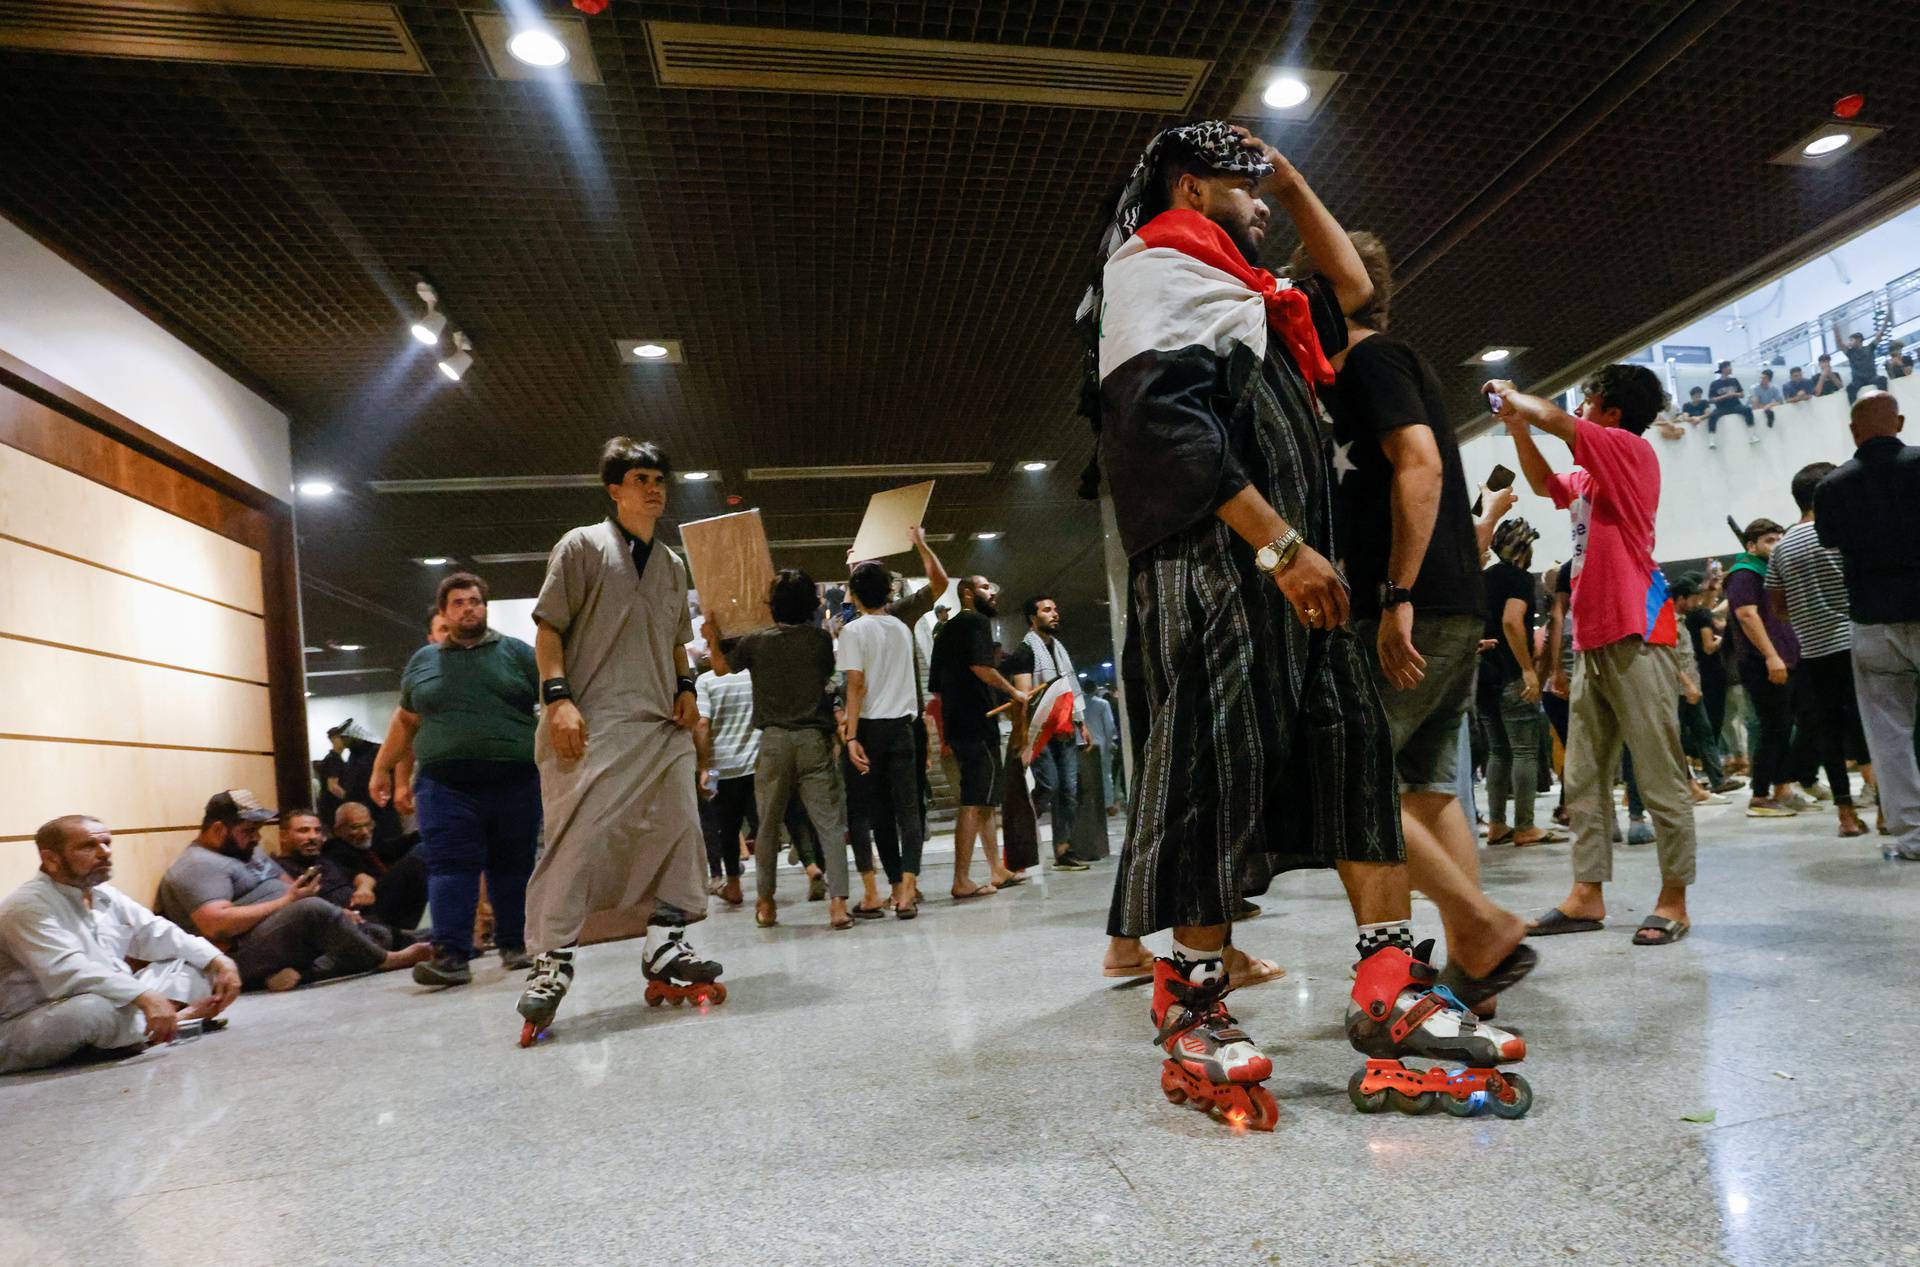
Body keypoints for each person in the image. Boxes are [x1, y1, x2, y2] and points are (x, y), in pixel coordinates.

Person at [1083, 121, 1529, 1130]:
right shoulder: (1152, 271)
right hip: (1222, 570)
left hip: (1305, 581)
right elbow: (1162, 425)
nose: (1264, 208)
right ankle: (1193, 1000)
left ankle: (1389, 987)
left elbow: (1354, 290)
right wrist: (1278, 545)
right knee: (1210, 774)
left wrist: (1281, 175)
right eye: (1244, 186)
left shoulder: (1256, 296)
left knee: (1356, 765)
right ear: (1194, 190)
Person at [1312, 227, 1539, 1021]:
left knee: (1349, 786)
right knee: (1430, 790)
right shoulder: (1376, 366)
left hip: (1407, 606)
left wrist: (1396, 593)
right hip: (1444, 600)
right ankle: (1477, 955)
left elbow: (1422, 464)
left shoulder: (1371, 361)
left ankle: (1480, 924)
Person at [513, 439, 727, 1042]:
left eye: (659, 478)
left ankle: (666, 944)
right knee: (578, 841)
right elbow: (548, 628)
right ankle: (551, 963)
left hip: (661, 723)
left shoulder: (671, 563)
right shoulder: (582, 546)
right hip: (593, 721)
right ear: (615, 488)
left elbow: (673, 641)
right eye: (640, 478)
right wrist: (558, 700)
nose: (653, 488)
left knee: (680, 828)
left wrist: (686, 684)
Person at [1490, 364, 1698, 946]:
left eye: (1588, 399)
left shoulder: (1630, 449)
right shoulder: (1591, 474)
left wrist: (1515, 396)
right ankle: (1586, 896)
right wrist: (1516, 429)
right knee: (1582, 778)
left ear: (1610, 411)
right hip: (1595, 637)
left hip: (1639, 630)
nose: (1580, 407)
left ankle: (1673, 899)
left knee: (1659, 776)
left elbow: (1556, 418)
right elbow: (1543, 486)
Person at [369, 571, 539, 987]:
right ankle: (452, 956)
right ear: (444, 613)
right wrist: (382, 768)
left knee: (513, 867)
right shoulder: (423, 663)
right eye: (459, 603)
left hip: (514, 780)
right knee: (449, 867)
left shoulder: (518, 654)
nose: (469, 609)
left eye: (475, 601)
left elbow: (557, 704)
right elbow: (407, 720)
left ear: (485, 607)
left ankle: (515, 944)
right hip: (446, 787)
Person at [1, 816, 240, 1073]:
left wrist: (219, 961)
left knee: (196, 967)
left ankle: (143, 1029)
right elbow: (70, 972)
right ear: (51, 859)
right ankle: (178, 1019)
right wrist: (144, 996)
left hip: (115, 999)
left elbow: (159, 933)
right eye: (88, 846)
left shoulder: (103, 893)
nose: (104, 853)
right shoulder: (27, 906)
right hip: (35, 1019)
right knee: (92, 1011)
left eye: (106, 843)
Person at [157, 790, 430, 990]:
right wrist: (288, 901)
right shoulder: (197, 866)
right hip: (236, 952)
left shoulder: (245, 850)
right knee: (313, 911)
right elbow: (217, 925)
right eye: (249, 830)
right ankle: (386, 960)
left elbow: (288, 885)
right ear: (218, 830)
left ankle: (431, 941)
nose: (257, 837)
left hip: (277, 933)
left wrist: (338, 912)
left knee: (371, 932)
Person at [709, 569, 855, 927]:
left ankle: (766, 904)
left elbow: (720, 667)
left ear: (772, 606)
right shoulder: (820, 642)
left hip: (773, 741)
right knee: (829, 824)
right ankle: (837, 905)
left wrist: (713, 637)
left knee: (769, 825)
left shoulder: (756, 643)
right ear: (810, 604)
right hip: (813, 741)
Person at [1816, 390, 1920, 860]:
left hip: (1873, 619)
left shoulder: (1833, 486)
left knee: (1890, 730)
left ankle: (1914, 833)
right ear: (1898, 423)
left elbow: (1832, 542)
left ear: (1854, 432)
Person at [1767, 463, 1871, 837]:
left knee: (1828, 730)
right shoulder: (1841, 533)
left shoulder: (1782, 549)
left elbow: (1778, 608)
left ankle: (1845, 814)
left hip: (1813, 651)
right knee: (1869, 724)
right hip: (1856, 641)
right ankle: (1888, 809)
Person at [839, 561, 932, 910]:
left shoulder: (853, 631)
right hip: (904, 728)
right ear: (888, 592)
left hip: (871, 728)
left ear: (855, 595)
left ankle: (893, 884)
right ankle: (908, 889)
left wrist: (851, 737)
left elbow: (856, 685)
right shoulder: (901, 629)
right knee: (909, 811)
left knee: (880, 814)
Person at [930, 575, 1027, 894]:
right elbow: (981, 667)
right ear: (968, 593)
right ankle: (961, 879)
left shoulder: (945, 630)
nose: (993, 594)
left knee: (985, 799)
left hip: (959, 722)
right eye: (986, 588)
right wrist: (1014, 692)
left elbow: (936, 686)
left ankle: (996, 868)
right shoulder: (976, 623)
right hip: (976, 721)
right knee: (973, 800)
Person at [1726, 518, 1809, 818]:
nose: (1776, 545)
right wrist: (1772, 656)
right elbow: (1747, 615)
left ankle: (1782, 788)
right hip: (1762, 663)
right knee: (1773, 727)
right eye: (1769, 540)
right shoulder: (1744, 574)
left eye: (1779, 539)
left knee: (1785, 725)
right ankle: (1760, 796)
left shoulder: (1770, 572)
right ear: (1751, 545)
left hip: (1786, 658)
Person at [1480, 519, 1554, 846]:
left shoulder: (1482, 579)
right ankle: (1525, 827)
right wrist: (1527, 669)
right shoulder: (1520, 579)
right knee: (1525, 751)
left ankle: (1497, 824)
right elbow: (1512, 621)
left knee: (1498, 751)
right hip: (1511, 674)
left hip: (1484, 676)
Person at [1007, 595, 1090, 870]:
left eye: (1055, 609)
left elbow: (1071, 688)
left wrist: (1082, 723)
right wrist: (1021, 736)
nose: (1055, 614)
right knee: (1049, 785)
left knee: (1068, 789)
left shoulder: (1059, 649)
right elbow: (1023, 699)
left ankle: (1063, 850)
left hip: (1065, 730)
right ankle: (1022, 832)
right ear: (1033, 618)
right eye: (1047, 610)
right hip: (1040, 730)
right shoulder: (1025, 651)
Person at [276, 807, 426, 942]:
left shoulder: (324, 860)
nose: (313, 837)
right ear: (283, 836)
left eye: (317, 830)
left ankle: (405, 938)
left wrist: (364, 888)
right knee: (420, 854)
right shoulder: (280, 868)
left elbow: (361, 876)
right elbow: (299, 908)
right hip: (338, 922)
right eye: (304, 830)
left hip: (367, 909)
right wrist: (339, 913)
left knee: (422, 852)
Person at [694, 651, 756, 908]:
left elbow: (702, 726)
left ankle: (733, 886)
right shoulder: (751, 676)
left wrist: (705, 767)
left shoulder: (706, 681)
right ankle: (766, 892)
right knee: (762, 823)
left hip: (720, 767)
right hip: (756, 763)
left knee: (725, 828)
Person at [1669, 577, 1737, 794]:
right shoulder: (1668, 622)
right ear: (1681, 599)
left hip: (1693, 687)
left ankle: (1717, 781)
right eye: (1694, 598)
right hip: (1677, 690)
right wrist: (1688, 684)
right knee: (1678, 737)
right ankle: (1686, 783)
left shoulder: (1684, 620)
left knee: (1705, 732)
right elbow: (1669, 658)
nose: (1697, 602)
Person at [324, 802, 428, 933]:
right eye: (355, 827)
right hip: (369, 905)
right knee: (419, 855)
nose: (365, 832)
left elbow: (395, 847)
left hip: (388, 901)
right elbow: (356, 875)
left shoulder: (369, 846)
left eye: (368, 825)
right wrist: (365, 886)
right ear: (338, 830)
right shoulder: (335, 849)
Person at [1706, 360, 1756, 448]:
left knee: (1747, 410)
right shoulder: (1715, 384)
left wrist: (1733, 394)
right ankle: (1711, 440)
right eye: (1730, 367)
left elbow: (1742, 394)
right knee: (1712, 416)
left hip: (1735, 405)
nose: (1731, 369)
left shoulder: (1734, 380)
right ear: (1724, 369)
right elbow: (1711, 400)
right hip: (1722, 407)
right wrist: (1724, 396)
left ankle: (1752, 436)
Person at [1836, 321, 1891, 402]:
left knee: (1882, 379)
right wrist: (1836, 331)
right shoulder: (1850, 352)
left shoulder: (1869, 348)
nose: (1850, 342)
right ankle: (1854, 409)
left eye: (1851, 340)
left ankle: (1885, 402)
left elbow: (1880, 335)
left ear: (1858, 340)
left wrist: (1886, 319)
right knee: (1850, 388)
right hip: (1857, 381)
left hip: (1872, 377)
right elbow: (1840, 343)